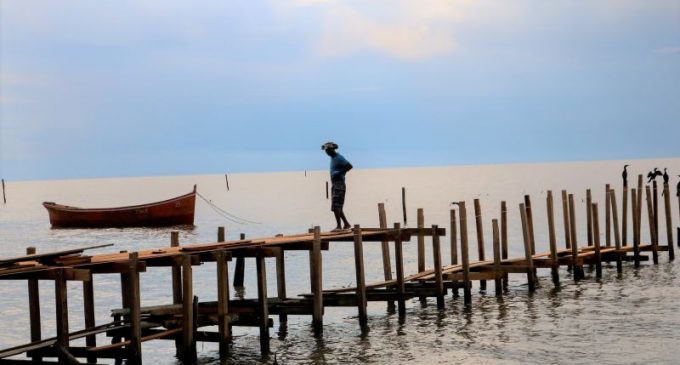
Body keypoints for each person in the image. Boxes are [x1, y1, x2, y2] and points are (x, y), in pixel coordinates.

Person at [322, 142, 353, 231]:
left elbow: (349, 166)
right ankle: (346, 224)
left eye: (328, 151)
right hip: (335, 184)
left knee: (336, 207)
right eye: (326, 151)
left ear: (332, 150)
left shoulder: (339, 157)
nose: (327, 153)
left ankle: (339, 226)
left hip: (339, 184)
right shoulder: (332, 158)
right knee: (337, 207)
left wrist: (339, 173)